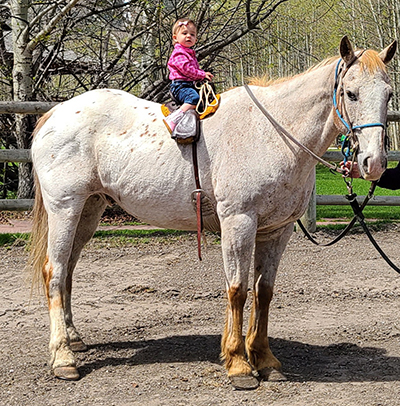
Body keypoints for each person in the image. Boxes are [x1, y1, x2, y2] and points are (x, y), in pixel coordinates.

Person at [163, 18, 214, 134]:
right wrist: (202, 74)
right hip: (180, 86)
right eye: (184, 33)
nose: (188, 36)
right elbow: (186, 69)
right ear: (175, 37)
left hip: (188, 85)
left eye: (192, 34)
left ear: (196, 39)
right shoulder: (179, 52)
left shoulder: (189, 53)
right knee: (194, 99)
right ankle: (174, 118)